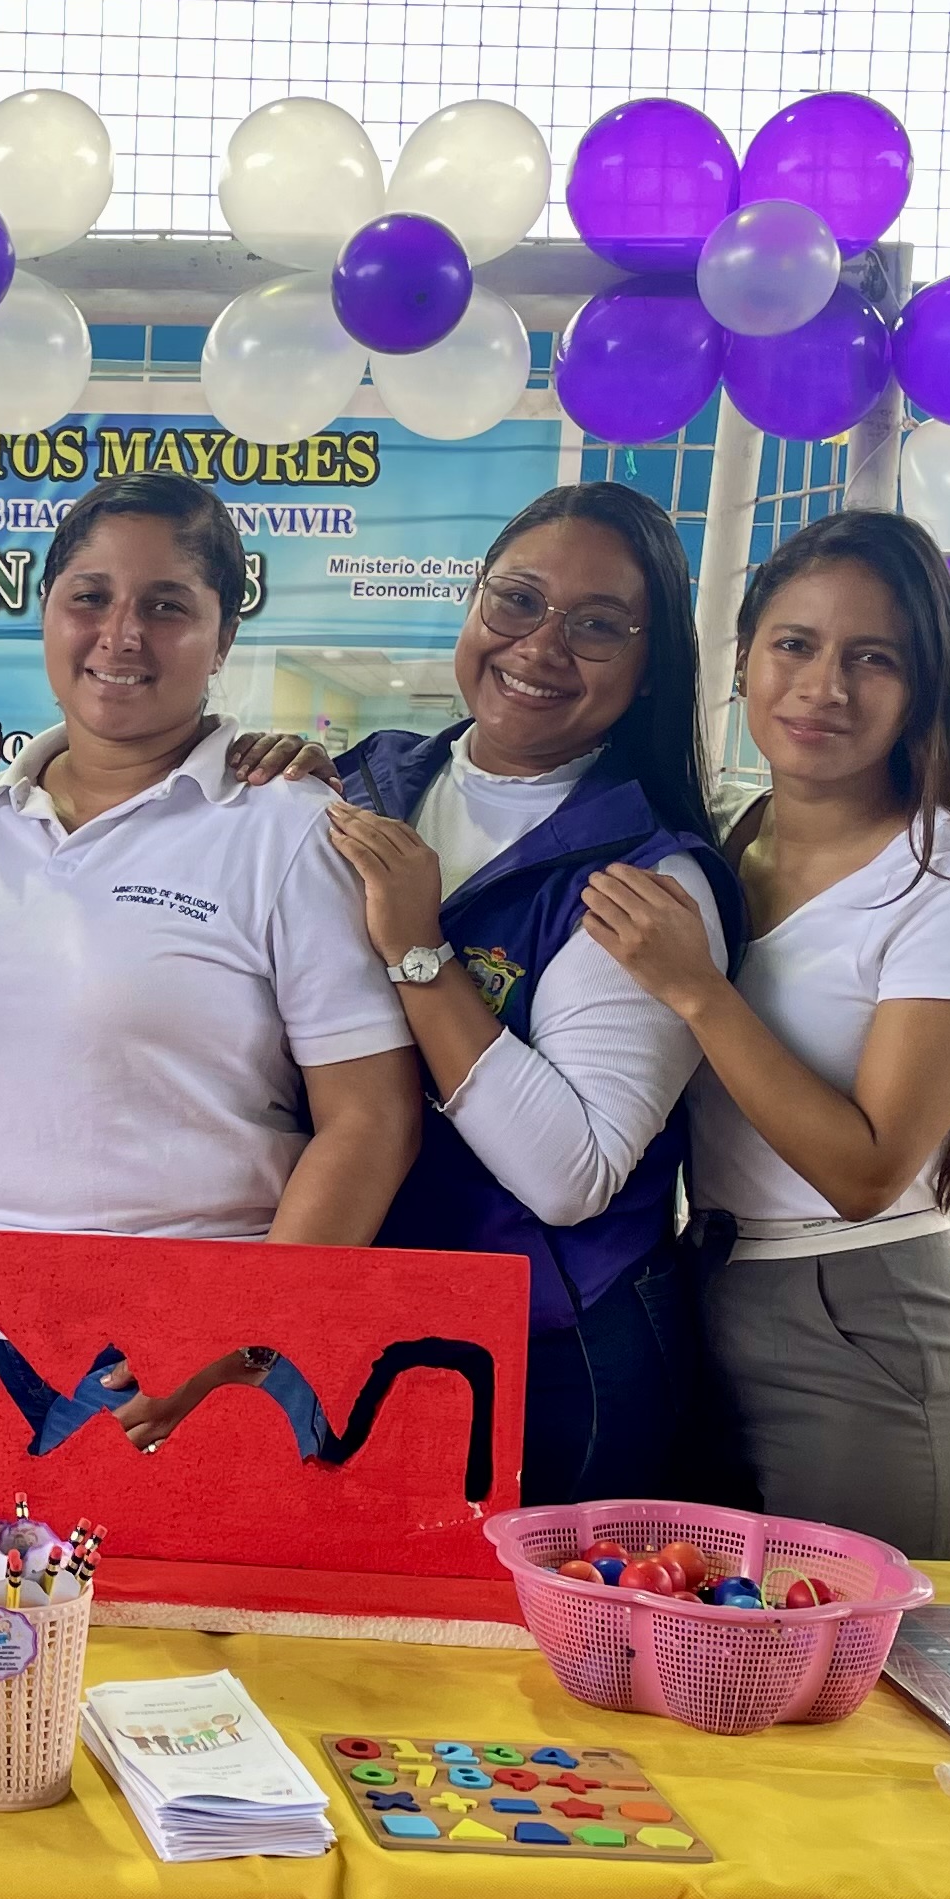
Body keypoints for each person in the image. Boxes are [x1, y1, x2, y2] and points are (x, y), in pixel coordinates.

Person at [231, 483, 739, 1503]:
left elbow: (569, 1175)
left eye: (598, 625)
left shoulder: (648, 879)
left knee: (510, 1614)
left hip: (544, 1357)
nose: (540, 646)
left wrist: (420, 949)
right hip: (346, 1316)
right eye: (517, 600)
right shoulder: (360, 785)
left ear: (651, 668)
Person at [581, 507, 950, 1561]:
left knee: (869, 1668)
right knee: (707, 1653)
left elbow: (866, 1171)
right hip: (703, 1298)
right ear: (743, 658)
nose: (824, 687)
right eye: (794, 644)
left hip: (863, 1329)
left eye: (874, 658)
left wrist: (701, 991)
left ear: (926, 688)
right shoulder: (722, 842)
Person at [0, 472, 416, 1437]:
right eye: (90, 597)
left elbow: (372, 1121)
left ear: (222, 638)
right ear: (46, 610)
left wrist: (236, 1340)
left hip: (201, 1350)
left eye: (167, 606)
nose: (122, 634)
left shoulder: (285, 828)